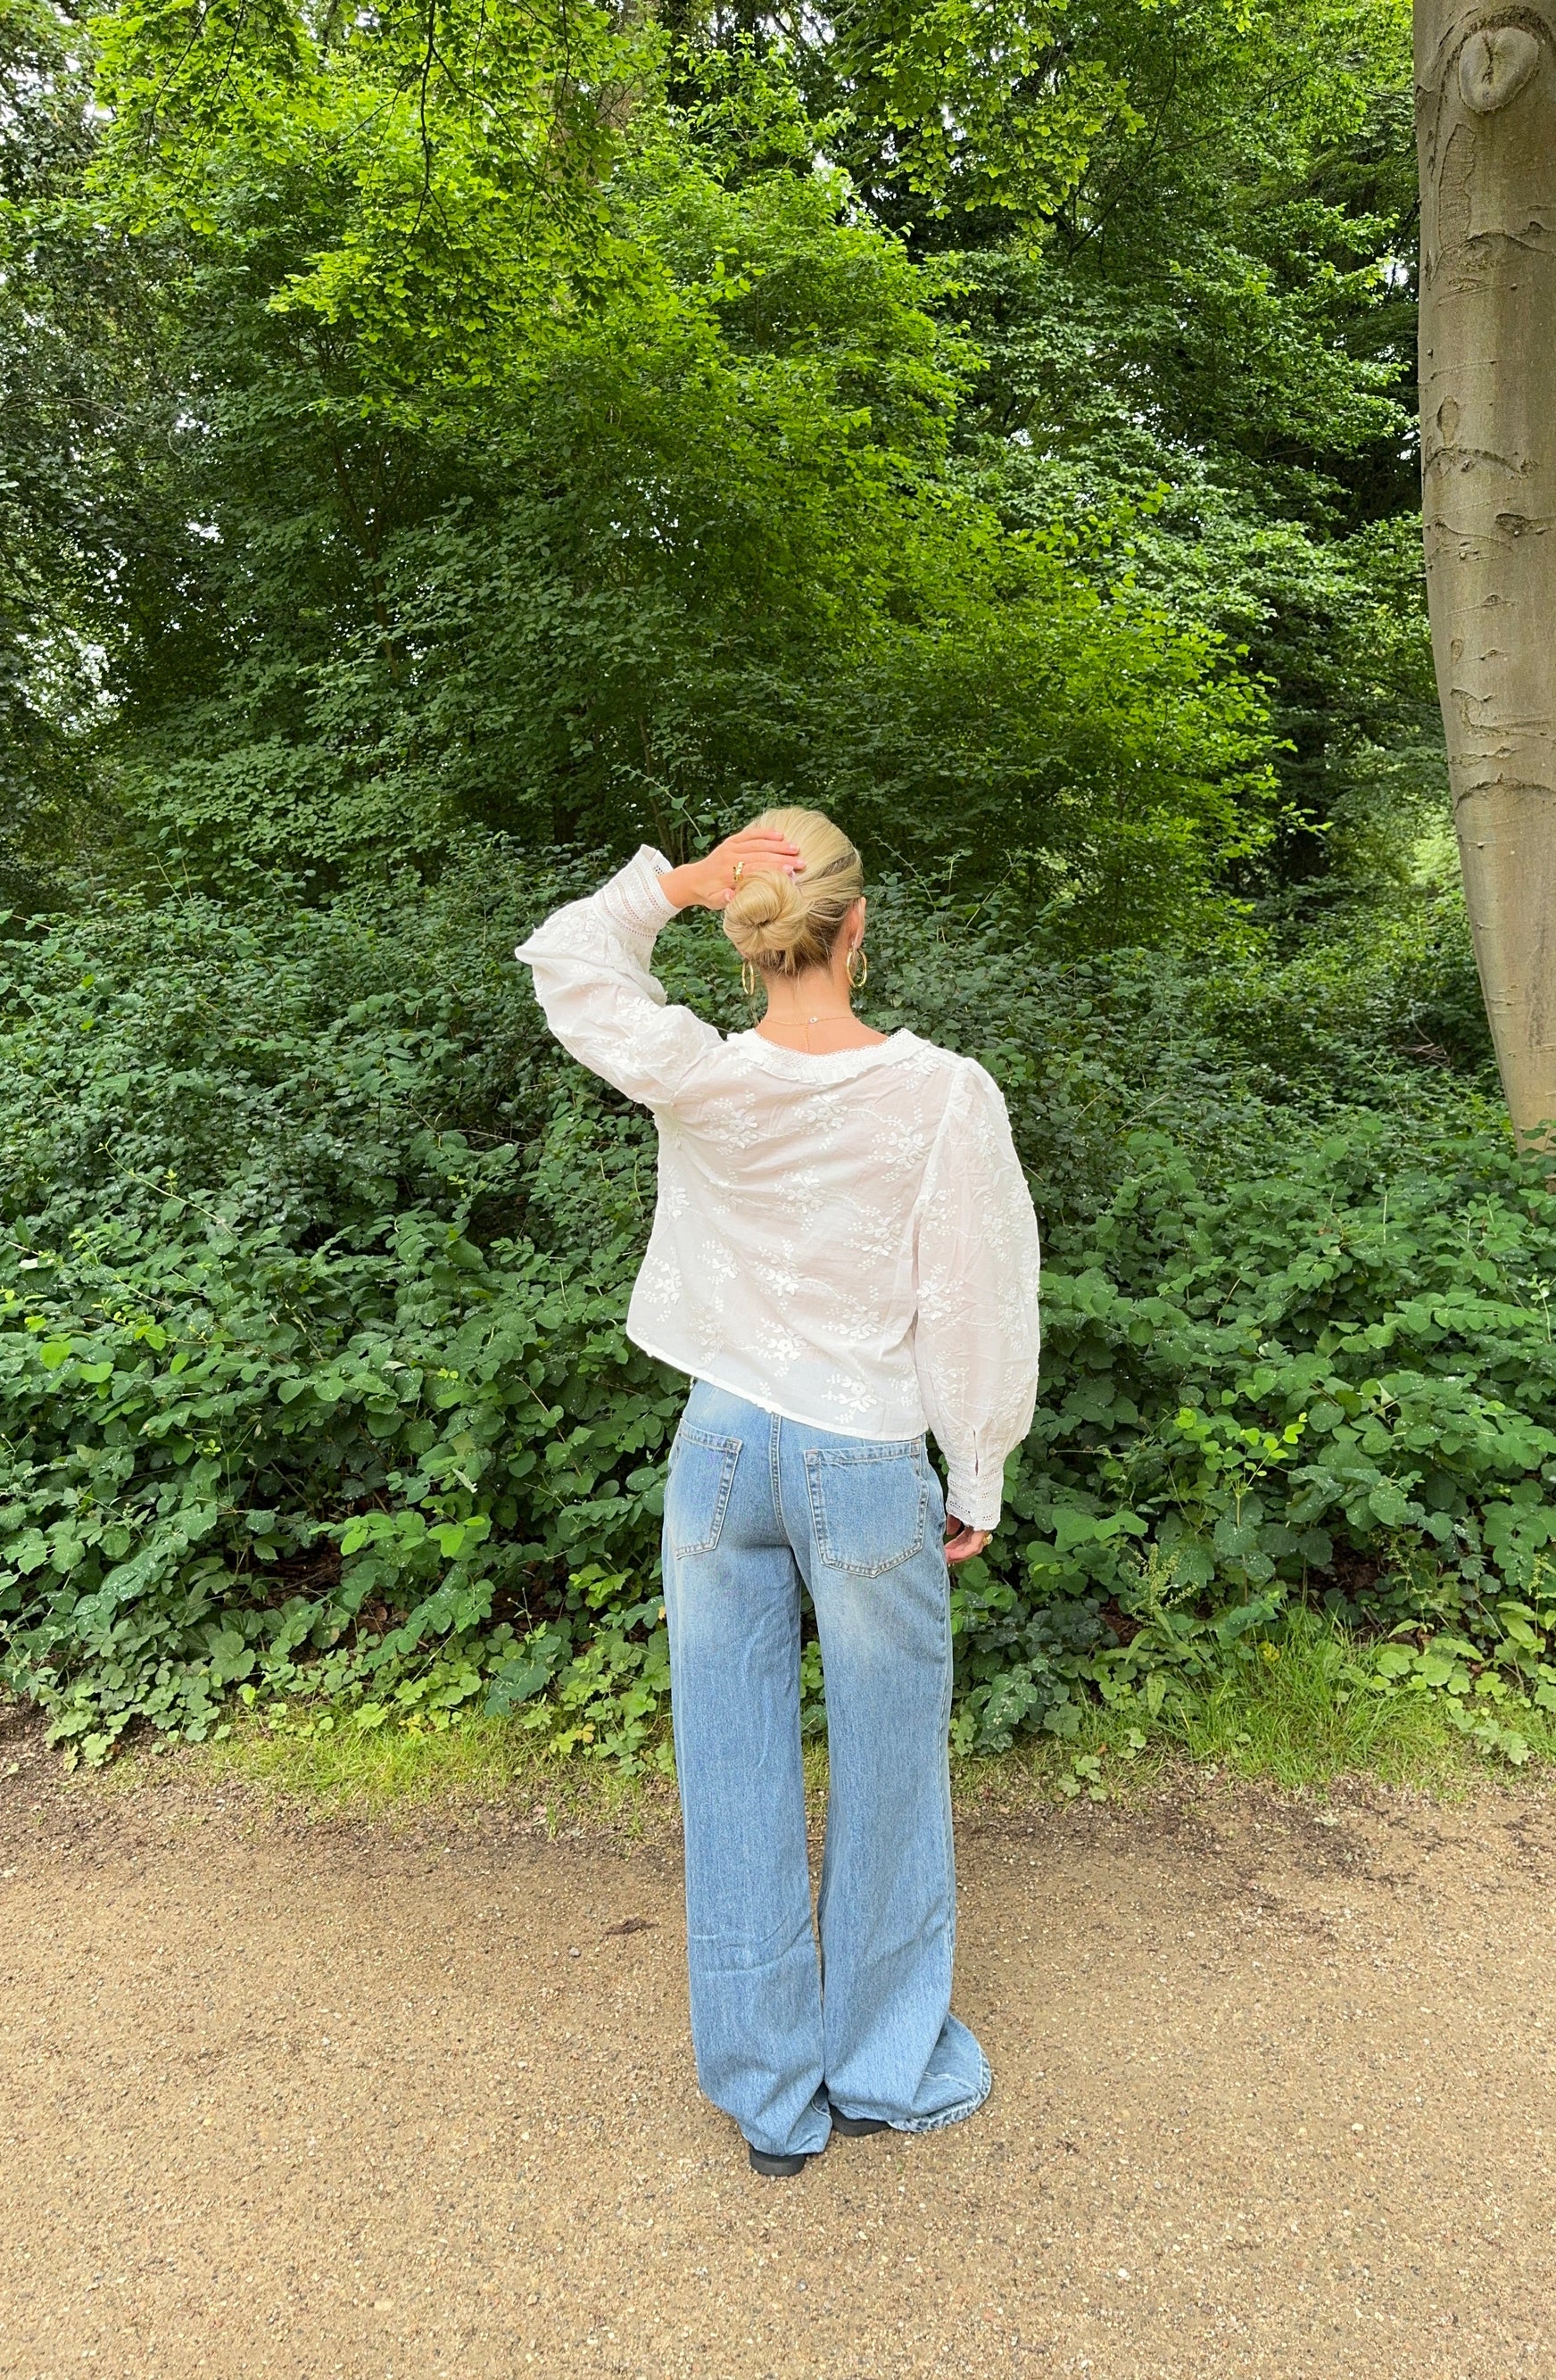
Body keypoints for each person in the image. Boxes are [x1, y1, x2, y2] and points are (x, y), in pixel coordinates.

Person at [515, 809, 1039, 2179]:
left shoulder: (702, 1075)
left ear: (752, 940)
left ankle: (770, 2098)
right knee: (889, 1759)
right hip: (862, 1450)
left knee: (731, 1762)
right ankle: (882, 2067)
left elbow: (569, 961)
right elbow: (974, 1296)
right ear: (857, 928)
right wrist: (977, 1467)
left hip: (720, 1448)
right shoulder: (942, 1094)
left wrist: (676, 885)